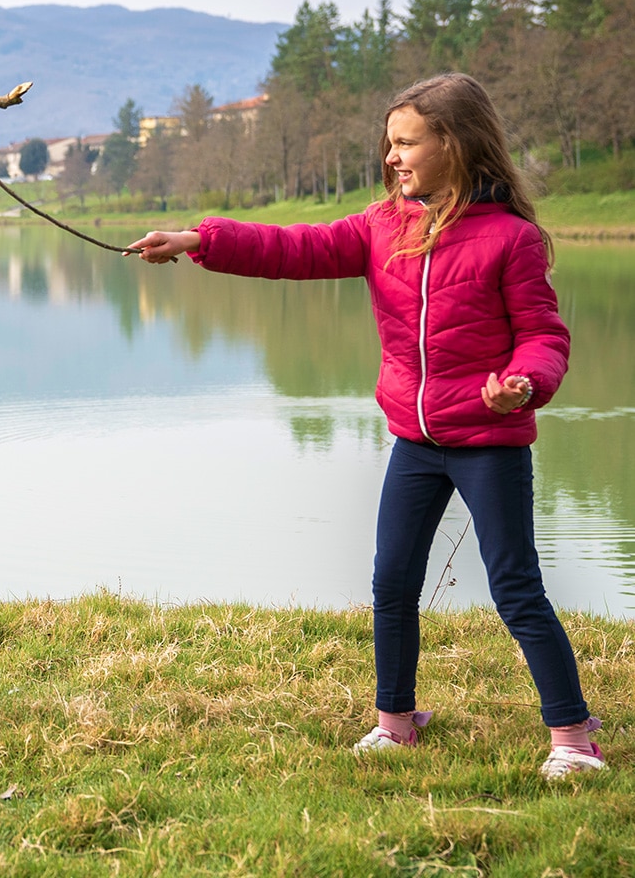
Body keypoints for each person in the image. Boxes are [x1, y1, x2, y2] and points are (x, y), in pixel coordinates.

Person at [128, 73, 602, 781]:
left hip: (487, 445)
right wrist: (199, 238)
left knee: (515, 588)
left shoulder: (511, 240)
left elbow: (543, 336)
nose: (392, 157)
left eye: (407, 142)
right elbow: (292, 249)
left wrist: (524, 385)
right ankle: (396, 723)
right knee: (391, 580)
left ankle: (572, 738)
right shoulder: (383, 226)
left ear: (456, 143)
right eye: (389, 143)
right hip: (415, 442)